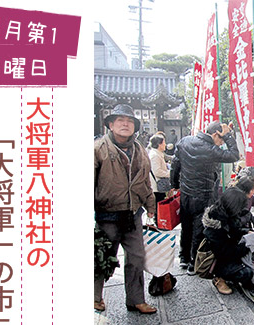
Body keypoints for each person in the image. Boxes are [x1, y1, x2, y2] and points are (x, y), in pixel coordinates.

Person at [93, 104, 157, 314]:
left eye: (129, 121)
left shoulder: (140, 150)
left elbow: (145, 181)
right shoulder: (98, 149)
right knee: (103, 257)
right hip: (107, 215)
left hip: (133, 214)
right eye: (120, 120)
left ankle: (136, 299)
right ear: (111, 124)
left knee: (137, 257)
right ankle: (95, 297)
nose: (125, 124)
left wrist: (150, 207)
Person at [171, 121, 239, 275]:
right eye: (221, 139)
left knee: (186, 226)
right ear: (216, 134)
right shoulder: (210, 149)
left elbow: (175, 165)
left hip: (185, 193)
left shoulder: (185, 141)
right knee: (199, 229)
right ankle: (193, 263)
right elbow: (234, 155)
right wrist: (228, 136)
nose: (221, 144)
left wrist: (174, 184)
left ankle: (183, 256)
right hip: (204, 195)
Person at [202, 187, 254, 294]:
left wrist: (246, 232)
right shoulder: (214, 226)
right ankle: (219, 278)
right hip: (218, 261)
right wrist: (247, 246)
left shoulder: (228, 214)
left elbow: (235, 231)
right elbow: (225, 253)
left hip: (230, 250)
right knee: (247, 273)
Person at [148, 134, 170, 208]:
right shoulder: (154, 155)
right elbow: (157, 171)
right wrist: (169, 173)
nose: (165, 145)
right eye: (164, 143)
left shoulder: (158, 153)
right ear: (159, 144)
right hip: (156, 186)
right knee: (158, 208)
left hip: (159, 186)